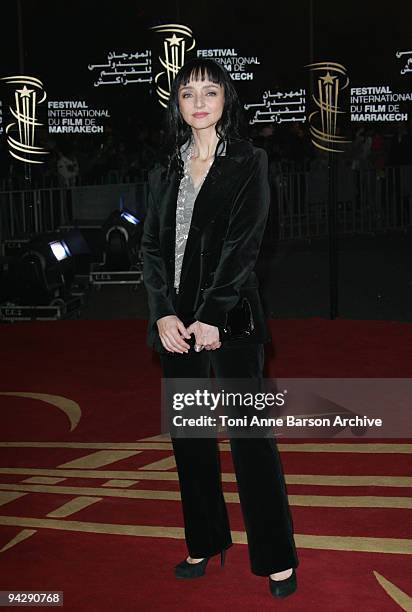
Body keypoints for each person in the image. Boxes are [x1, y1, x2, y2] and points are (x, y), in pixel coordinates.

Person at [142, 58, 299, 599]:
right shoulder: (165, 168)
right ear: (178, 106)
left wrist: (212, 314)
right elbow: (151, 248)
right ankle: (204, 541)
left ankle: (276, 557)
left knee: (251, 439)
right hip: (175, 326)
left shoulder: (248, 161)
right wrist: (163, 309)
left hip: (230, 319)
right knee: (190, 440)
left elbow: (244, 245)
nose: (200, 101)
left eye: (211, 91)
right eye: (189, 94)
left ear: (226, 100)